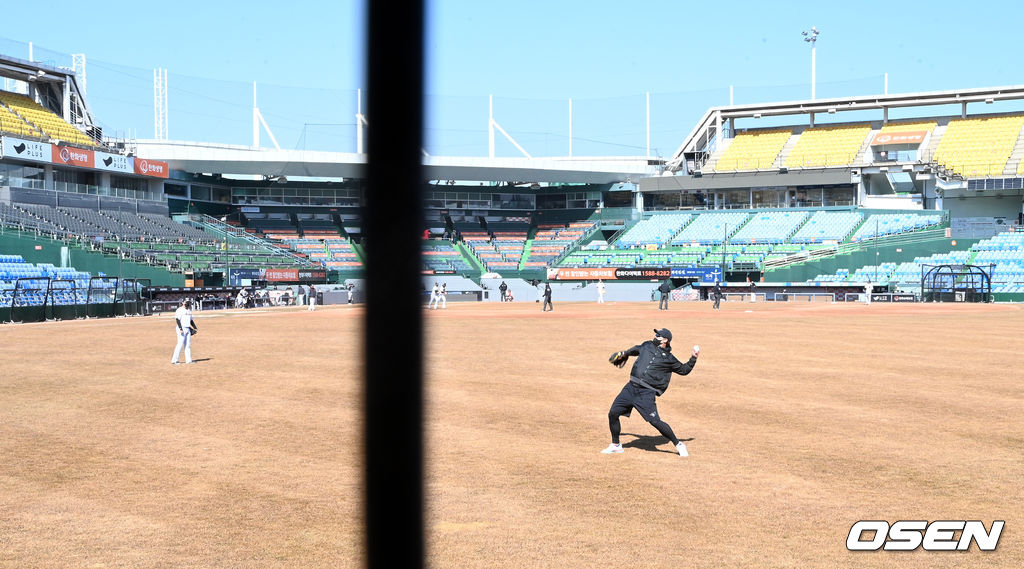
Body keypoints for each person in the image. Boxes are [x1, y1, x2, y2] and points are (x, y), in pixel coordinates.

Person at [602, 328, 699, 457]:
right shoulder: (647, 345)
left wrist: (693, 357)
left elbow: (684, 370)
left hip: (646, 393)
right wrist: (625, 353)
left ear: (665, 340)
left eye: (658, 335)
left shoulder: (669, 359)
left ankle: (678, 444)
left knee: (655, 422)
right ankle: (616, 445)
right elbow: (636, 349)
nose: (655, 336)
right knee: (613, 413)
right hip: (630, 387)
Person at [170, 299, 197, 365]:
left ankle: (188, 360)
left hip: (187, 328)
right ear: (182, 303)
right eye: (186, 301)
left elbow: (191, 320)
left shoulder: (189, 310)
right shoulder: (180, 310)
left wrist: (195, 327)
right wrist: (180, 329)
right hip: (181, 328)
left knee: (188, 345)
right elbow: (177, 319)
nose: (187, 302)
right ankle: (174, 360)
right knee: (180, 344)